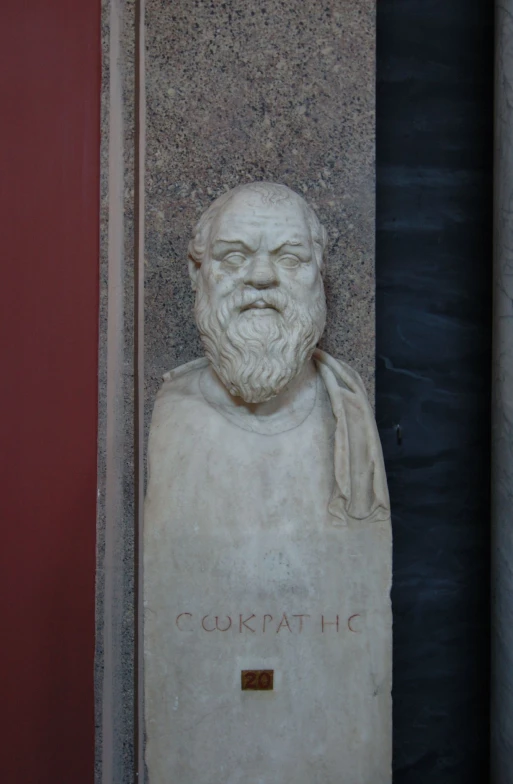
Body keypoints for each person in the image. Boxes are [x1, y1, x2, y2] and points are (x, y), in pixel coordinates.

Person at [144, 182, 391, 784]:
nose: (260, 278)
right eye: (234, 257)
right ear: (199, 276)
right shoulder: (170, 418)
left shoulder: (349, 419)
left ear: (318, 276)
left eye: (288, 258)